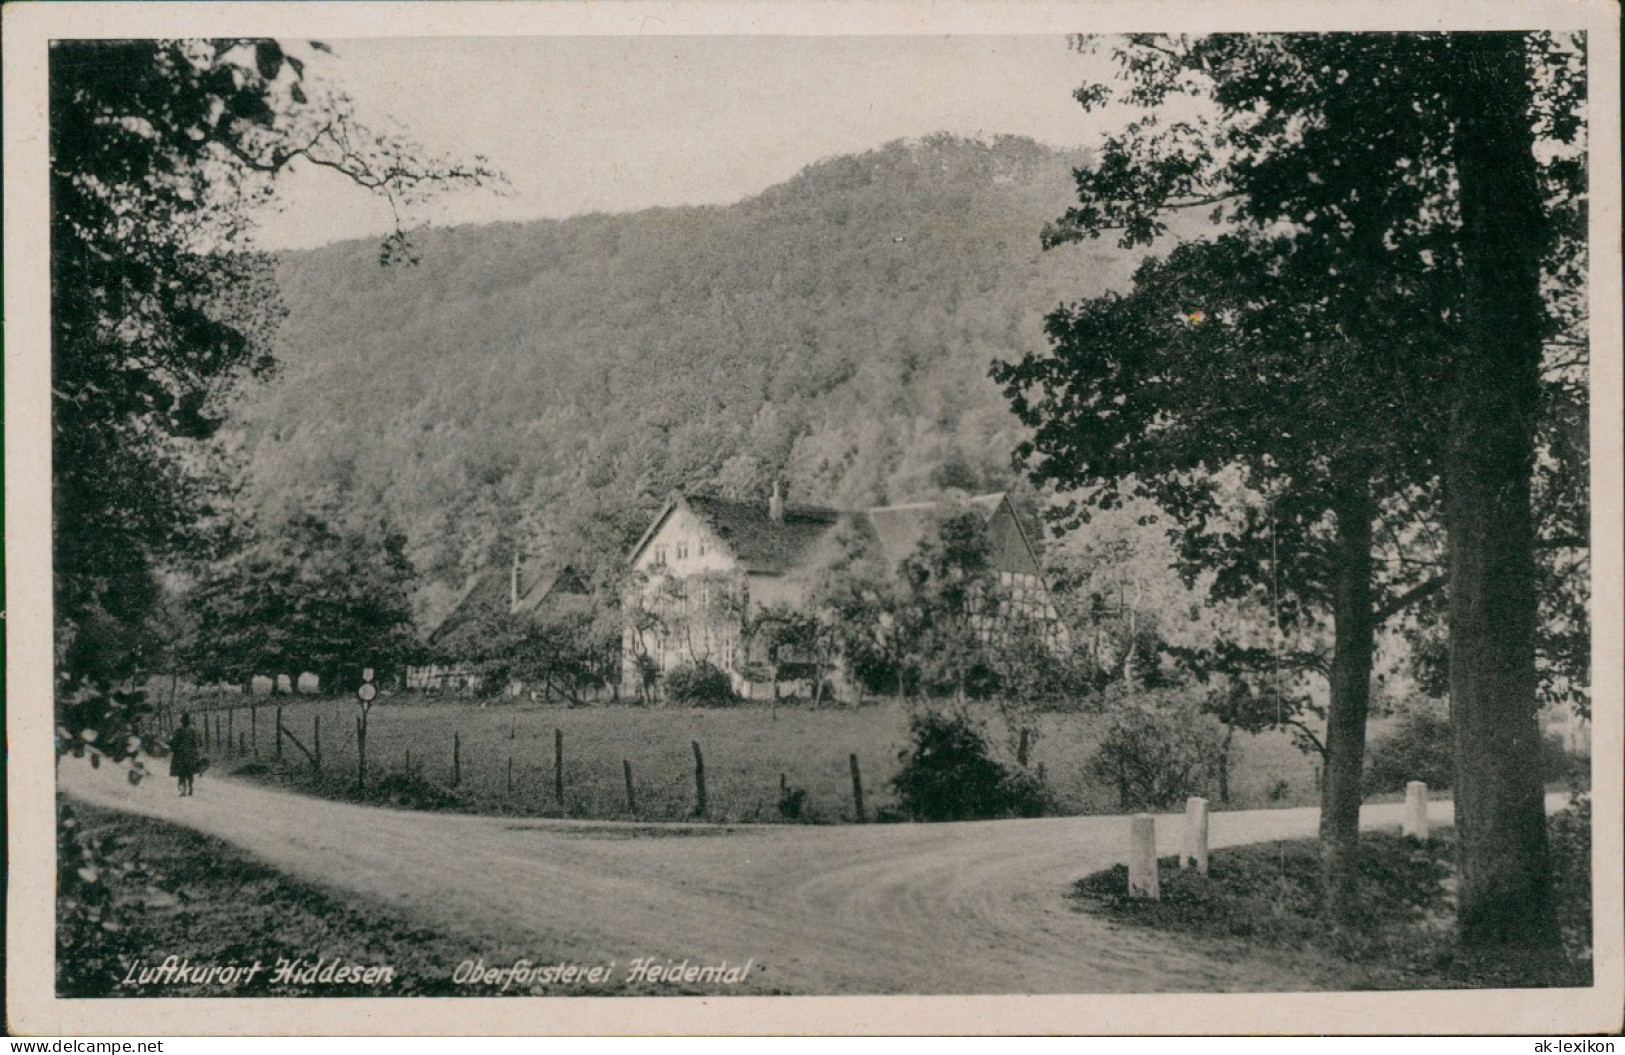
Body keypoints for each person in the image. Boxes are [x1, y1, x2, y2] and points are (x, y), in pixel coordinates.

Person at [169, 713, 204, 796]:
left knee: (182, 772)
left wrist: (173, 748)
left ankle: (183, 790)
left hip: (181, 754)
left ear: (182, 722)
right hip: (192, 754)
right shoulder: (195, 730)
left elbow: (174, 742)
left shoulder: (179, 730)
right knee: (190, 771)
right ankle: (191, 786)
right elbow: (200, 743)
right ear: (189, 722)